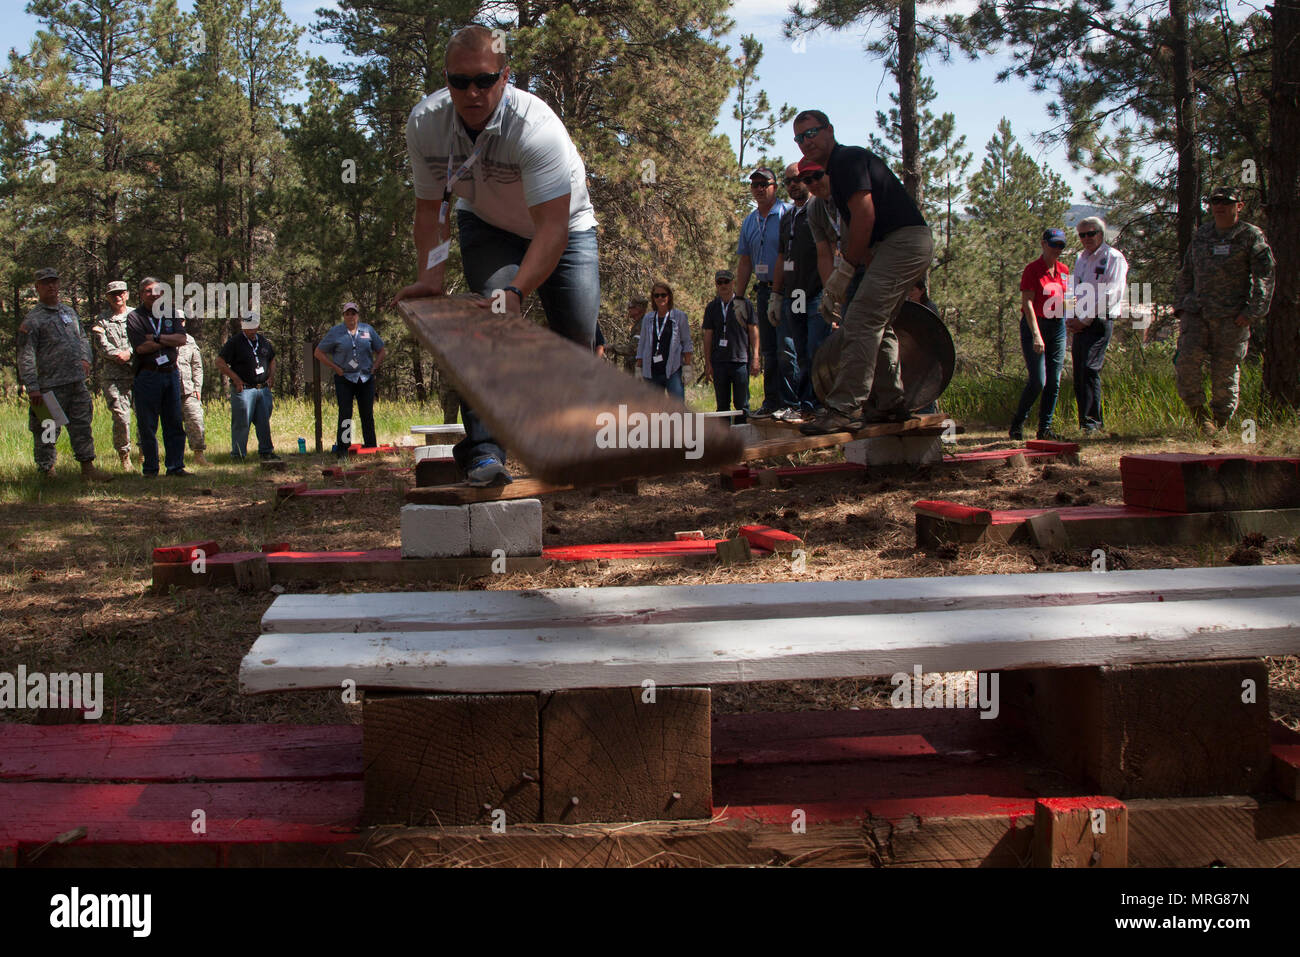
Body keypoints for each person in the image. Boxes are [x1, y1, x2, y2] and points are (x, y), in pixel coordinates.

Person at [395, 24, 599, 487]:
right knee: (488, 321)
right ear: (446, 79)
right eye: (460, 81)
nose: (473, 92)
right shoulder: (426, 124)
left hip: (565, 228)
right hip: (487, 224)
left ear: (504, 77)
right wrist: (432, 277)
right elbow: (431, 211)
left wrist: (517, 290)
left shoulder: (537, 128)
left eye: (485, 80)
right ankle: (485, 451)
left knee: (575, 339)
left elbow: (550, 230)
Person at [792, 111, 934, 436]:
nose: (807, 141)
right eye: (800, 138)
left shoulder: (847, 160)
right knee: (877, 323)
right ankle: (889, 404)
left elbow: (864, 218)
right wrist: (841, 285)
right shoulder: (835, 172)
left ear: (830, 130)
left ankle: (844, 408)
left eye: (812, 132)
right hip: (892, 247)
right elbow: (864, 235)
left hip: (904, 242)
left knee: (861, 320)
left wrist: (845, 271)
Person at [1172, 186, 1275, 433]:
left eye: (1226, 202)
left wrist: (1253, 311)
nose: (1219, 206)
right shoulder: (1203, 234)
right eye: (1215, 201)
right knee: (1185, 362)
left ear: (1238, 206)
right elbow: (1187, 271)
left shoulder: (1250, 235)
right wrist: (1181, 307)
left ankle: (1220, 422)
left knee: (1225, 372)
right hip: (1198, 313)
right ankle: (1200, 417)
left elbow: (1265, 275)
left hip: (1232, 317)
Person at [17, 268, 112, 481]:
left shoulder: (68, 312)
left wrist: (86, 358)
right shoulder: (33, 320)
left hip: (76, 382)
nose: (51, 286)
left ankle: (88, 468)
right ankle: (47, 471)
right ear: (37, 288)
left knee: (81, 425)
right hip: (47, 386)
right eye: (46, 283)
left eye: (54, 282)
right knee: (47, 430)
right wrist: (32, 387)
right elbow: (25, 355)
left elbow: (82, 339)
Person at [735, 166, 794, 419]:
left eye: (764, 184)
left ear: (775, 187)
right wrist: (738, 297)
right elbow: (745, 261)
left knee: (787, 347)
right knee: (769, 349)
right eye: (754, 184)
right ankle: (772, 402)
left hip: (791, 290)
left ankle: (793, 402)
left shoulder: (787, 214)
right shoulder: (750, 220)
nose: (759, 189)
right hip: (763, 290)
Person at [773, 161, 825, 422]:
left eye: (797, 179)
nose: (793, 185)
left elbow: (831, 248)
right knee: (800, 350)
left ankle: (821, 404)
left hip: (817, 291)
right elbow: (782, 256)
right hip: (794, 295)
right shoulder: (787, 216)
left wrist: (835, 288)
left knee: (818, 348)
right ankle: (804, 406)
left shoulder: (819, 208)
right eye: (788, 182)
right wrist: (776, 293)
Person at [1067, 216, 1128, 436]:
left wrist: (1084, 319)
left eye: (1090, 234)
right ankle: (1085, 423)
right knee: (1079, 372)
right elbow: (1073, 288)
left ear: (1101, 234)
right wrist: (1069, 316)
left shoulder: (1113, 258)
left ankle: (1094, 423)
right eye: (1082, 235)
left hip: (1099, 320)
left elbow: (1109, 294)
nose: (1086, 239)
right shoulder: (1081, 258)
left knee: (1090, 369)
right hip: (1080, 320)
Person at [1009, 229, 1071, 441]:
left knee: (1054, 380)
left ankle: (1045, 428)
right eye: (1054, 245)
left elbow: (1065, 298)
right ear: (1044, 244)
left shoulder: (1063, 270)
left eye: (1061, 246)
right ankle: (1018, 422)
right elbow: (1027, 303)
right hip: (1035, 324)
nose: (1057, 250)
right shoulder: (1033, 269)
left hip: (1058, 325)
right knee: (1038, 380)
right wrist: (1036, 334)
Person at [126, 276, 191, 476]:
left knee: (174, 422)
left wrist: (155, 337)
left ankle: (175, 467)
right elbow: (141, 347)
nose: (153, 294)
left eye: (156, 290)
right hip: (148, 376)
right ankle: (151, 469)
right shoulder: (135, 317)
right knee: (147, 425)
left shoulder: (171, 314)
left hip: (171, 374)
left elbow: (181, 338)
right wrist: (167, 341)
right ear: (141, 294)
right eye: (148, 291)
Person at [314, 303, 386, 454]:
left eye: (353, 313)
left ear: (357, 315)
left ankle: (371, 446)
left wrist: (375, 367)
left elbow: (381, 350)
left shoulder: (367, 330)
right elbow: (318, 352)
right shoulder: (336, 332)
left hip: (365, 378)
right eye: (348, 313)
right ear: (344, 316)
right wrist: (335, 367)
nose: (351, 316)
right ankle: (343, 449)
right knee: (346, 414)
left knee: (367, 413)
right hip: (345, 378)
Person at [217, 312, 280, 461]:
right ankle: (238, 454)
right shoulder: (235, 342)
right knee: (241, 422)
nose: (252, 329)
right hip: (244, 389)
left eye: (254, 326)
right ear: (243, 326)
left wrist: (271, 376)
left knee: (264, 421)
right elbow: (219, 361)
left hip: (262, 389)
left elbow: (272, 359)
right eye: (248, 326)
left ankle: (266, 451)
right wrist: (235, 379)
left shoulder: (263, 341)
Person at [700, 269, 759, 421]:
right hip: (719, 362)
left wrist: (756, 357)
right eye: (720, 282)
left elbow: (753, 330)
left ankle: (744, 436)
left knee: (742, 403)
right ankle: (725, 440)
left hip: (740, 360)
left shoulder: (744, 304)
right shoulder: (712, 307)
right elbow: (708, 336)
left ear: (733, 283)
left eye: (726, 282)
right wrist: (708, 363)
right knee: (722, 405)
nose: (723, 285)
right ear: (716, 285)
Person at [90, 279, 137, 469]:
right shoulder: (101, 320)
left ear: (126, 294)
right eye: (113, 294)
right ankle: (125, 455)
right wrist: (118, 354)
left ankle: (145, 453)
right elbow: (100, 344)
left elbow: (147, 338)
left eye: (121, 293)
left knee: (144, 416)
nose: (117, 296)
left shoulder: (138, 316)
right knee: (121, 417)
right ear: (107, 297)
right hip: (113, 377)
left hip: (138, 372)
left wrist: (131, 353)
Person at [635, 282, 693, 398]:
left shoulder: (679, 316)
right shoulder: (648, 318)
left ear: (669, 296)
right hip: (651, 371)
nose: (660, 298)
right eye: (657, 295)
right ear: (653, 298)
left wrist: (687, 366)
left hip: (673, 370)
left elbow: (686, 342)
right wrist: (638, 367)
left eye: (663, 295)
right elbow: (642, 344)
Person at [176, 333, 209, 465]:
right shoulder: (162, 337)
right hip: (168, 391)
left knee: (196, 421)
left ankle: (199, 456)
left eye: (182, 320)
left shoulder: (189, 339)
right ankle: (144, 455)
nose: (180, 323)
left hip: (188, 390)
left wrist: (197, 388)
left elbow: (197, 366)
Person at [624, 296, 648, 373]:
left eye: (631, 307)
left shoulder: (643, 324)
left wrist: (612, 347)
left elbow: (632, 348)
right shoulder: (638, 324)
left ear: (638, 309)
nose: (628, 309)